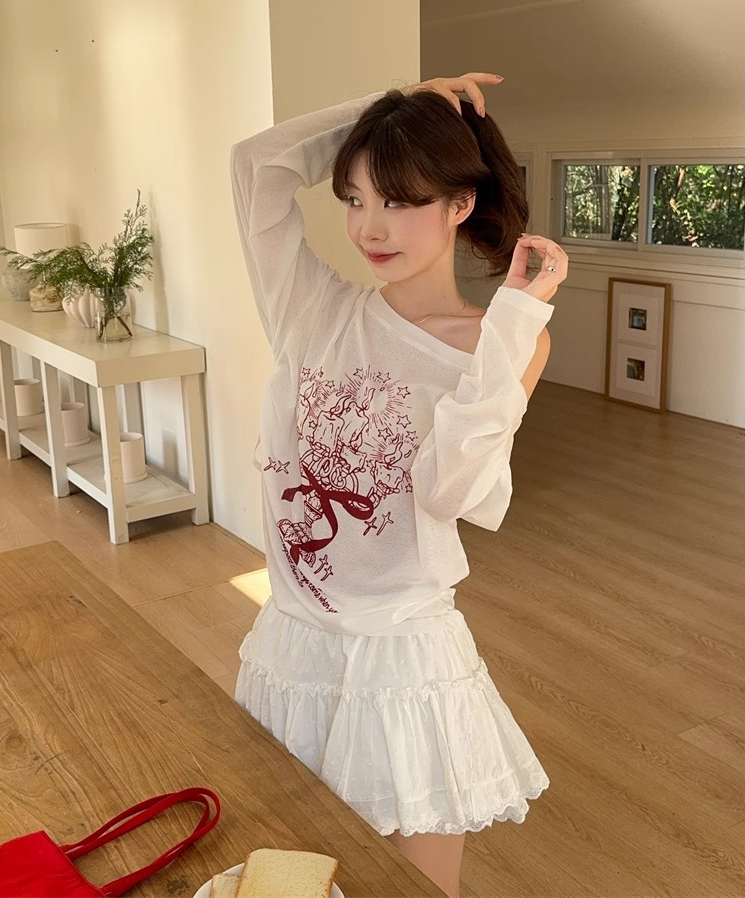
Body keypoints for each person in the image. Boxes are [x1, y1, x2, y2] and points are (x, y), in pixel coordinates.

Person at [230, 71, 568, 898]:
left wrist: (515, 323)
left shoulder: (497, 340)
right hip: (291, 641)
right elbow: (255, 166)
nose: (368, 227)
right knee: (291, 881)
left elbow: (449, 492)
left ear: (459, 204)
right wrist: (387, 108)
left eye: (400, 200)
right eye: (354, 198)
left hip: (404, 661)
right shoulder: (312, 310)